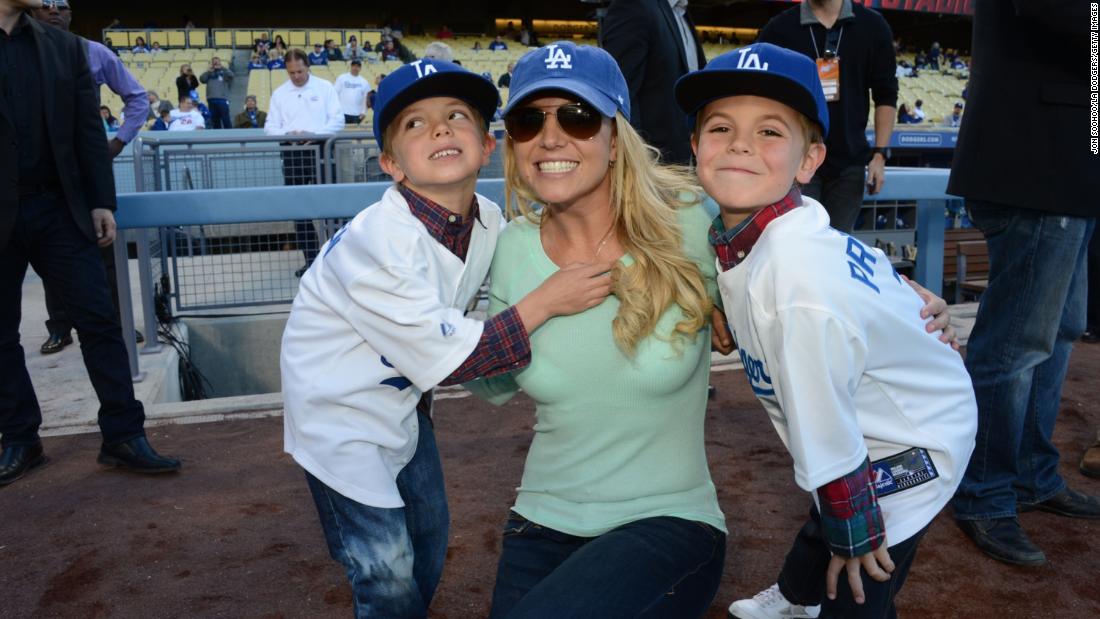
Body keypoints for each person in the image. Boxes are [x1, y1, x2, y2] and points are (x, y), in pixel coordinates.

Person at [281, 57, 610, 618]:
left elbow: (534, 259)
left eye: (456, 116)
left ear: (487, 147)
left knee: (429, 543)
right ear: (391, 164)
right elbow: (460, 359)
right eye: (414, 124)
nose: (438, 129)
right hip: (337, 420)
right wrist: (547, 300)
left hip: (403, 404)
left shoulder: (484, 215)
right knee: (384, 569)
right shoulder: (378, 243)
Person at [673, 43, 975, 619]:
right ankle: (794, 596)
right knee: (824, 505)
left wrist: (854, 532)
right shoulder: (783, 223)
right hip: (889, 410)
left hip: (917, 441)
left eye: (768, 132)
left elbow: (830, 437)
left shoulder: (797, 284)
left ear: (809, 161)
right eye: (720, 127)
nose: (739, 144)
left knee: (860, 567)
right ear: (695, 147)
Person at [471, 41, 728, 618]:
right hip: (539, 519)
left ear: (616, 139)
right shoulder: (511, 247)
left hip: (670, 519)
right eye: (529, 120)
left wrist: (899, 293)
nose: (552, 137)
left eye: (579, 117)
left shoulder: (689, 222)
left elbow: (792, 267)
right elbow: (489, 388)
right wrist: (538, 306)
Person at [0, 1, 180, 488]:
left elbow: (85, 128)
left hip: (60, 207)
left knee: (100, 322)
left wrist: (102, 201)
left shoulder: (67, 47)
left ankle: (123, 435)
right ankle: (19, 438)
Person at [948, 0, 1100, 568]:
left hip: (1069, 171)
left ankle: (1033, 473)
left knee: (1059, 332)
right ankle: (984, 492)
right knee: (1016, 345)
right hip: (1035, 165)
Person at [32, 0, 151, 353]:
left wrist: (116, 143)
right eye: (47, 5)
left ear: (71, 15)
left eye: (63, 6)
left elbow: (137, 99)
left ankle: (118, 323)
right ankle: (60, 327)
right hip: (41, 169)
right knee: (48, 250)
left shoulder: (94, 52)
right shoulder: (21, 52)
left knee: (104, 246)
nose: (55, 11)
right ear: (33, 12)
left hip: (86, 167)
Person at [758, 0, 898, 233]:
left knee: (837, 250)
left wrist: (880, 155)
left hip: (849, 165)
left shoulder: (873, 26)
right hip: (796, 162)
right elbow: (761, 96)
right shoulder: (779, 28)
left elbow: (886, 95)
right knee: (796, 244)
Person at [264, 49, 343, 278]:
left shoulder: (325, 87)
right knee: (299, 210)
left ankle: (335, 261)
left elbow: (338, 120)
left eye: (299, 71)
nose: (296, 76)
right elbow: (270, 127)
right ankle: (312, 261)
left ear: (308, 66)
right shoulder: (279, 94)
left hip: (321, 150)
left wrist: (315, 133)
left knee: (330, 207)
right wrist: (288, 134)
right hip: (292, 153)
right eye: (291, 73)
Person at [600, 0, 706, 165]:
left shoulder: (682, 14)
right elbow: (621, 96)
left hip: (683, 162)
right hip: (651, 166)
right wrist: (637, 165)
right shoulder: (632, 6)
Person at [199, 56, 234, 129]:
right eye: (214, 62)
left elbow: (231, 75)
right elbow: (202, 79)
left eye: (217, 61)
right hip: (211, 99)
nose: (216, 63)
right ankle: (217, 136)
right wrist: (208, 71)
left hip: (222, 99)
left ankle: (229, 134)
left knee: (225, 119)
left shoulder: (224, 72)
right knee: (215, 120)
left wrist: (222, 68)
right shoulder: (209, 73)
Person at [334, 59, 369, 125]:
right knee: (341, 134)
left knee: (354, 134)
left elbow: (365, 98)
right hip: (342, 112)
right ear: (351, 66)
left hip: (357, 114)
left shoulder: (364, 82)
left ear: (360, 68)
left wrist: (364, 112)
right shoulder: (342, 78)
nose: (355, 68)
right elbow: (335, 94)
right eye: (354, 66)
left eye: (358, 66)